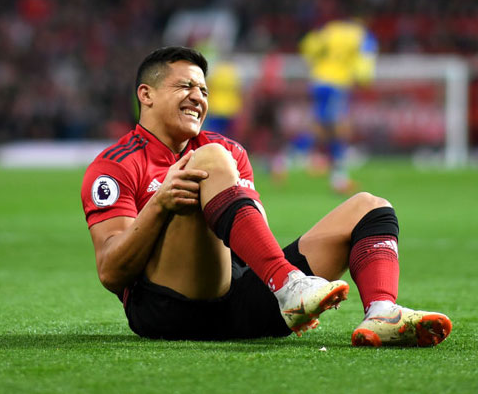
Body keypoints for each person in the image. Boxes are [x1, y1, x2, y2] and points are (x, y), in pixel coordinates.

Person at [80, 46, 452, 345]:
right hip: (168, 311)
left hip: (238, 303)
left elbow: (249, 245)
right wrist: (159, 205)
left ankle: (381, 312)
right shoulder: (116, 165)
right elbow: (111, 273)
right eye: (185, 87)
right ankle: (289, 286)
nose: (198, 97)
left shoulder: (230, 151)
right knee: (209, 158)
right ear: (146, 94)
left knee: (370, 207)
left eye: (204, 91)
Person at [298, 20, 378, 193]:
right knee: (339, 127)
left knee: (322, 127)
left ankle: (292, 160)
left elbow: (308, 46)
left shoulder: (329, 29)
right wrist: (364, 79)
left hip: (319, 81)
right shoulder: (361, 35)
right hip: (337, 83)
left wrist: (316, 64)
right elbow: (365, 64)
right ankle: (338, 177)